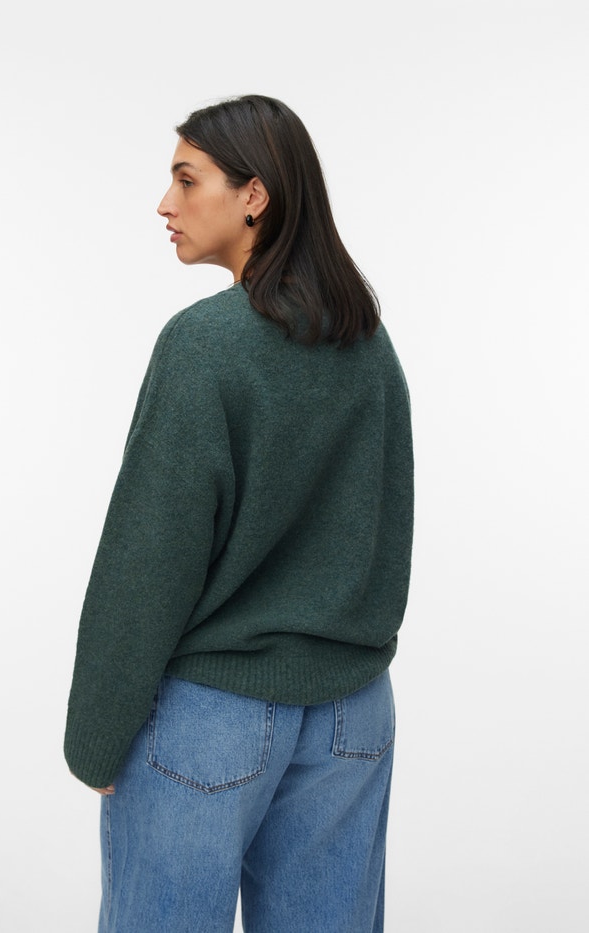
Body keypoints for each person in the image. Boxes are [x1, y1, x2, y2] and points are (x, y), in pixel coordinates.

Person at [64, 94, 414, 933]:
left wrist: (96, 733)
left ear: (254, 194)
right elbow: (389, 522)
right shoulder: (366, 342)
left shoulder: (205, 343)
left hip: (214, 716)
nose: (166, 203)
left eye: (187, 179)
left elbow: (150, 553)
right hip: (354, 713)